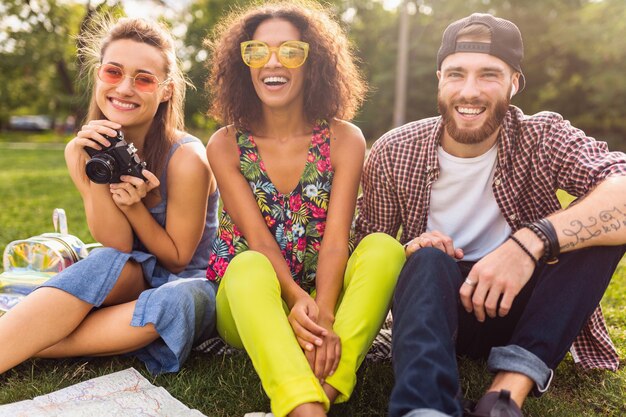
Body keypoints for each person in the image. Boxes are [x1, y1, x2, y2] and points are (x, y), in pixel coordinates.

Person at [355, 12, 626, 417]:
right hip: (438, 309)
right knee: (429, 259)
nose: (469, 91)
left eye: (489, 75)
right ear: (439, 79)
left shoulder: (543, 135)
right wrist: (407, 250)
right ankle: (425, 407)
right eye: (456, 74)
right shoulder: (395, 150)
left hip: (525, 310)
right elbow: (364, 250)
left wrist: (528, 243)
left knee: (596, 231)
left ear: (514, 83)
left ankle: (503, 395)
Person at [204, 1, 405, 416]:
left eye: (290, 51)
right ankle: (306, 407)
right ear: (244, 64)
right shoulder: (224, 145)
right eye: (257, 52)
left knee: (385, 248)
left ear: (313, 63)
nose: (271, 62)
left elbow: (335, 242)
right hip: (251, 303)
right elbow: (258, 240)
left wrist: (325, 313)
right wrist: (296, 299)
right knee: (247, 265)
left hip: (323, 290)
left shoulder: (344, 140)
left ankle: (319, 393)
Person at [0, 16, 219, 376]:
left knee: (172, 302)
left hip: (186, 282)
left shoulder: (188, 159)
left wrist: (135, 208)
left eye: (144, 79)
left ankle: (29, 336)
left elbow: (178, 260)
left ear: (165, 90)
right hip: (128, 275)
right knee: (104, 262)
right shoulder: (82, 150)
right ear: (99, 75)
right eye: (113, 72)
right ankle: (22, 336)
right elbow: (117, 244)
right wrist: (92, 170)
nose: (125, 88)